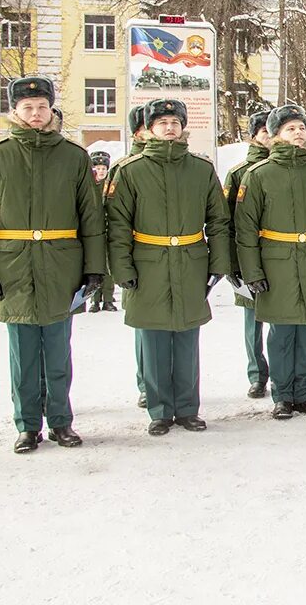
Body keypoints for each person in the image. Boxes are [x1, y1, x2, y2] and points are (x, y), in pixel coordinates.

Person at [0, 76, 104, 453]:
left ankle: (61, 422)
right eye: (27, 108)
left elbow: (90, 217)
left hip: (61, 266)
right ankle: (27, 425)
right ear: (15, 112)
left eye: (42, 107)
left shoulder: (73, 156)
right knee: (23, 354)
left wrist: (94, 268)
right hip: (13, 268)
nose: (36, 113)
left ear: (51, 110)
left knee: (58, 352)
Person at [106, 98, 231, 436]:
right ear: (148, 129)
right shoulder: (130, 171)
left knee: (187, 339)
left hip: (191, 260)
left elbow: (218, 221)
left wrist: (218, 263)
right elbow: (117, 226)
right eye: (162, 122)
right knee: (155, 338)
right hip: (149, 263)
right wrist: (122, 269)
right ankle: (160, 409)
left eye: (175, 122)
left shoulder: (201, 169)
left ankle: (188, 408)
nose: (170, 127)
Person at [235, 105, 306, 418]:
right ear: (275, 136)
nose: (298, 133)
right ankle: (282, 395)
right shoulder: (258, 176)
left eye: (301, 127)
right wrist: (252, 272)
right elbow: (245, 231)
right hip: (277, 263)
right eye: (290, 129)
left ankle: (305, 392)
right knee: (283, 332)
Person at [223, 109, 271, 397]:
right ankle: (257, 374)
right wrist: (232, 264)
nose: (269, 137)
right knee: (253, 321)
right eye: (263, 132)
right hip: (246, 257)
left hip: (280, 255)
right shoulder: (238, 173)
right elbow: (227, 222)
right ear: (254, 136)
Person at [111, 104, 152, 407]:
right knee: (143, 327)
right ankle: (146, 382)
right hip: (139, 259)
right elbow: (114, 221)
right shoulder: (125, 167)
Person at [86, 151, 117, 312]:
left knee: (107, 267)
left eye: (103, 168)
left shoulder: (110, 186)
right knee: (94, 265)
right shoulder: (88, 185)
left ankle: (108, 300)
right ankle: (94, 300)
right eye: (98, 168)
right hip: (92, 231)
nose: (101, 171)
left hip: (107, 230)